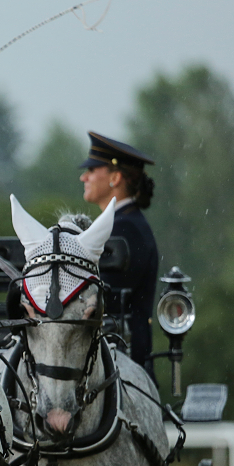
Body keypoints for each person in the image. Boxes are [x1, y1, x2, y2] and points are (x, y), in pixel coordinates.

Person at [79, 131, 159, 380]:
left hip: (122, 369)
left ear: (115, 177)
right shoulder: (123, 224)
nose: (84, 177)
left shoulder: (125, 229)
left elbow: (104, 302)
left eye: (92, 170)